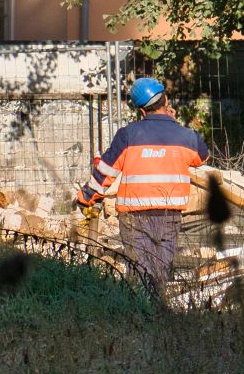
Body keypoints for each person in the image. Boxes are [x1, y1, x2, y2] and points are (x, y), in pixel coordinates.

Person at [75, 78, 209, 294]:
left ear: (141, 111)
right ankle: (159, 311)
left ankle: (141, 312)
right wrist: (174, 124)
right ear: (166, 100)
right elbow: (202, 156)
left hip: (135, 218)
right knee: (160, 274)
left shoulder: (128, 135)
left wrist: (86, 197)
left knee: (140, 277)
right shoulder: (186, 137)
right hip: (169, 217)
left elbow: (105, 172)